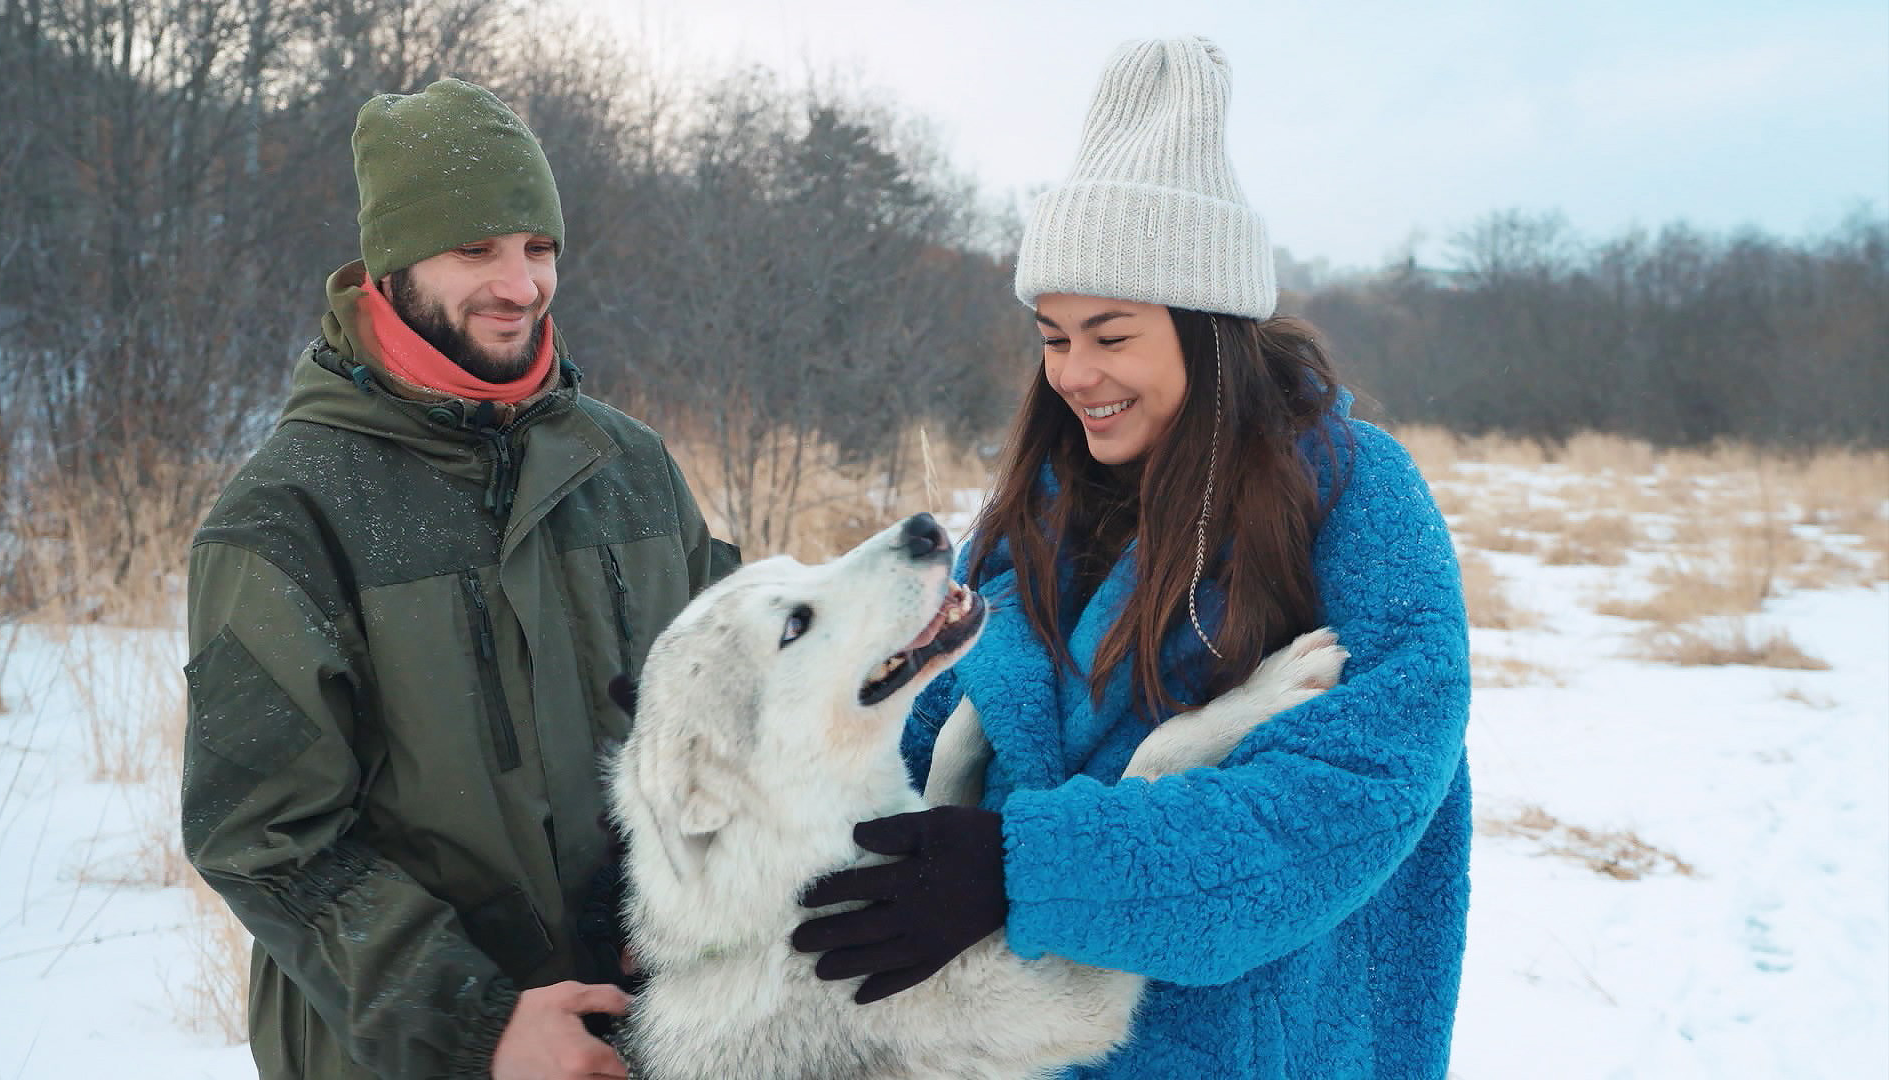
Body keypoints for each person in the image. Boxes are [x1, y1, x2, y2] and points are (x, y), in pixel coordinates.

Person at [791, 36, 1471, 1078]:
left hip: (1261, 1047)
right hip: (1025, 1043)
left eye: (1111, 334)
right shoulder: (1035, 509)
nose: (1073, 373)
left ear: (1207, 327)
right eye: (1053, 335)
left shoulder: (1353, 491)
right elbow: (927, 712)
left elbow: (1358, 793)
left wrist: (1029, 869)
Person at [181, 79, 737, 1079]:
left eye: (538, 248)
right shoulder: (288, 515)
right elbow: (265, 842)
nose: (520, 285)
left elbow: (732, 717)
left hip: (647, 1034)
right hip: (407, 1053)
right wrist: (478, 1026)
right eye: (475, 249)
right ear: (391, 265)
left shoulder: (633, 471)